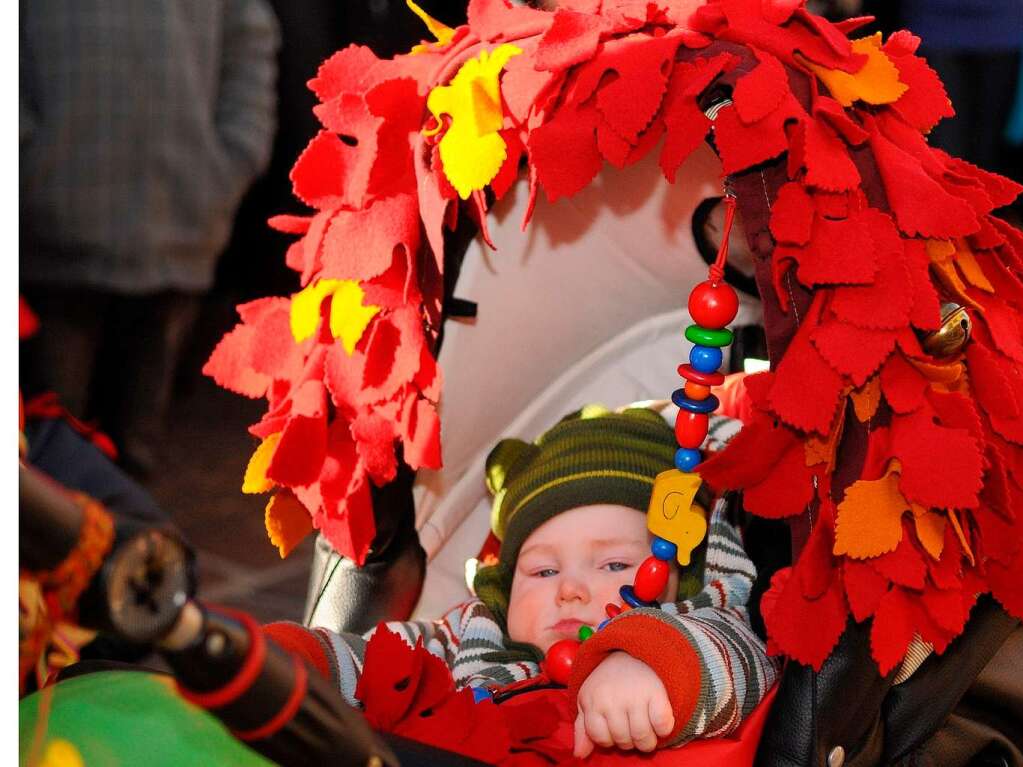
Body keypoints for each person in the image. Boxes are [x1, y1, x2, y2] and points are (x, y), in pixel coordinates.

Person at [265, 406, 777, 758]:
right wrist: (296, 658)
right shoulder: (474, 635)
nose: (569, 589)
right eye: (544, 571)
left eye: (616, 565)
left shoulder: (695, 622)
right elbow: (381, 661)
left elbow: (749, 662)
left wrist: (651, 663)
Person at [19, 0, 280, 478]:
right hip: (51, 238)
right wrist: (27, 160)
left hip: (176, 230)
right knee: (43, 468)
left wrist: (230, 161)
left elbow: (251, 41)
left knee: (134, 471)